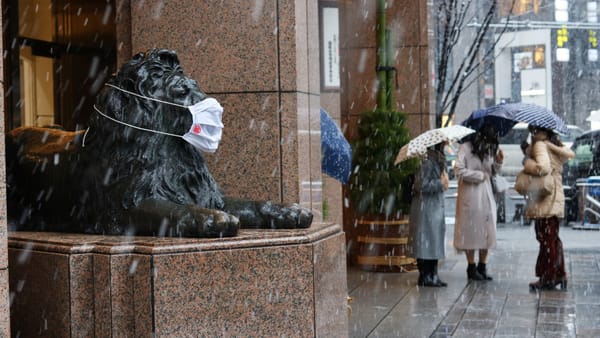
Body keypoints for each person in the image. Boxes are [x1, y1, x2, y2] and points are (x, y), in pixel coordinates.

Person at [522, 126, 574, 290]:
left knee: (545, 239)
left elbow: (542, 168)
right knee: (553, 238)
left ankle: (549, 276)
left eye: (532, 131)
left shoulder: (540, 145)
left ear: (536, 131)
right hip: (555, 196)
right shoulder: (554, 145)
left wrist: (528, 162)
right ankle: (559, 273)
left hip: (544, 197)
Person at [453, 124, 503, 281]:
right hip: (471, 195)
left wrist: (498, 162)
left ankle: (482, 265)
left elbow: (493, 172)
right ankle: (471, 266)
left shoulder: (488, 149)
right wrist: (478, 175)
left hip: (486, 194)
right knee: (470, 231)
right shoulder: (465, 148)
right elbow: (459, 170)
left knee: (487, 231)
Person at [408, 142, 450, 287]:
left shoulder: (438, 161)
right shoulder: (427, 163)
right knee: (427, 242)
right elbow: (421, 185)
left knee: (434, 242)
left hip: (434, 207)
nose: (445, 146)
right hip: (426, 208)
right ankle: (426, 275)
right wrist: (440, 183)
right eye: (443, 144)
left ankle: (433, 275)